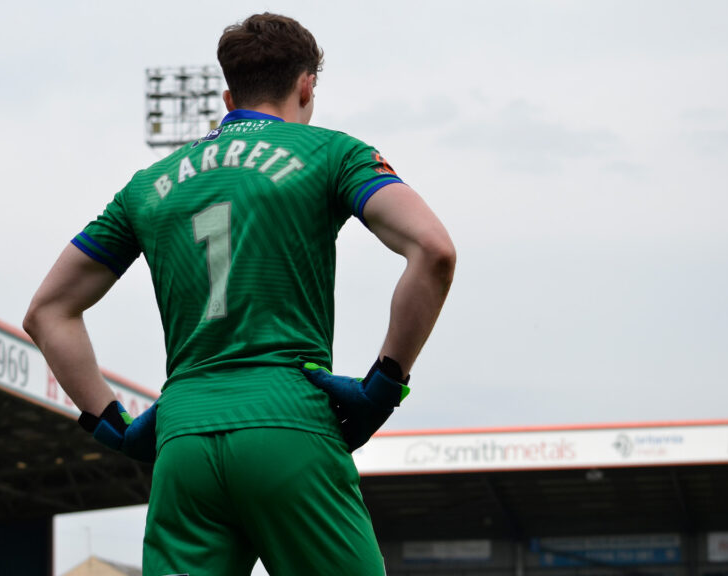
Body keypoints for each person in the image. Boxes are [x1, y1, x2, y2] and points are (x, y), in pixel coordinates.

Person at [23, 12, 455, 576]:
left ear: (229, 96)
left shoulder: (145, 186)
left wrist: (110, 422)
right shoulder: (332, 153)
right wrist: (384, 382)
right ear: (306, 86)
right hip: (288, 418)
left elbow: (47, 312)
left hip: (183, 436)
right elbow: (433, 250)